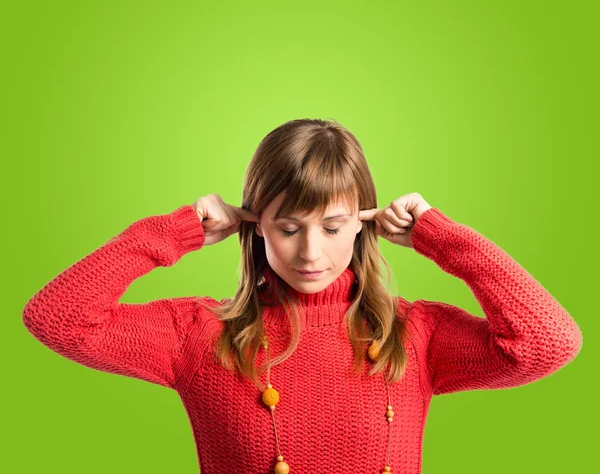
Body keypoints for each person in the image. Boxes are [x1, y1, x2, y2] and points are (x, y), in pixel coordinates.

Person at [22, 118, 583, 474]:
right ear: (255, 225)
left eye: (333, 227)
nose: (311, 252)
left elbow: (547, 344)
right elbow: (58, 318)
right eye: (289, 228)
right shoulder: (198, 336)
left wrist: (441, 237)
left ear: (364, 223)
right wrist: (174, 230)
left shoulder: (414, 337)